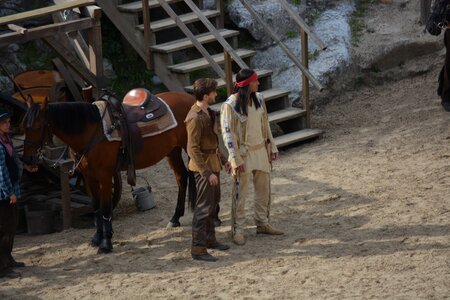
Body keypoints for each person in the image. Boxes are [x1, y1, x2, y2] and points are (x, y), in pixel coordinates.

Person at [220, 68, 283, 246]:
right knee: (241, 193)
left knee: (264, 190)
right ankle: (238, 229)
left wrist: (272, 145)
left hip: (261, 150)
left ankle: (262, 222)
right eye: (255, 81)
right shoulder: (230, 105)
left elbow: (265, 123)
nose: (258, 83)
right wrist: (234, 158)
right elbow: (228, 134)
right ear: (246, 84)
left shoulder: (260, 99)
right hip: (244, 154)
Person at [185, 78, 231, 262]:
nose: (216, 94)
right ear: (206, 96)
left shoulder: (208, 113)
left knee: (213, 204)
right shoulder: (194, 118)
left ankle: (210, 239)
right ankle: (198, 248)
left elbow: (212, 142)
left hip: (213, 164)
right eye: (213, 92)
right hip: (203, 168)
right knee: (203, 208)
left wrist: (223, 160)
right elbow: (192, 149)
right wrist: (206, 173)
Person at [0, 107, 37, 278]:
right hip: (4, 195)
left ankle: (8, 259)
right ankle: (2, 267)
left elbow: (15, 160)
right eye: (5, 122)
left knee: (12, 226)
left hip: (13, 189)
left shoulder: (6, 140)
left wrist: (27, 167)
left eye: (8, 121)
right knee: (4, 229)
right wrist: (8, 192)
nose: (9, 124)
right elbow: (1, 171)